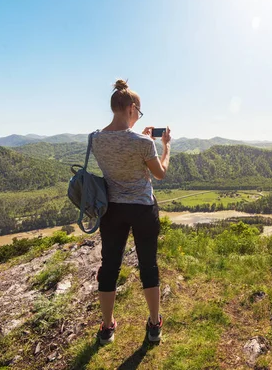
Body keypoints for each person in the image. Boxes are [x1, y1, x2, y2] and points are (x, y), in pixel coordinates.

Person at [91, 79, 171, 345]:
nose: (138, 115)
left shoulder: (95, 140)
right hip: (142, 209)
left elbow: (119, 151)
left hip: (112, 210)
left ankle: (107, 326)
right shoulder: (143, 144)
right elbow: (159, 174)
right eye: (139, 111)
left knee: (109, 267)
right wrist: (165, 147)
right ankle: (154, 324)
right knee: (148, 265)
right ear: (131, 108)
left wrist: (143, 138)